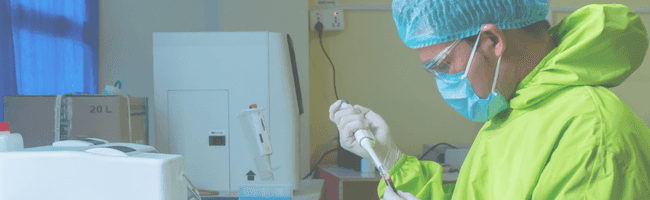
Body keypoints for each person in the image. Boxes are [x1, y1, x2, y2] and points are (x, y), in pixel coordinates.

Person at [328, 0, 650, 199]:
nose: (442, 82)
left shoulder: (592, 135)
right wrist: (392, 163)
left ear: (493, 39)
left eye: (442, 65)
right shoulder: (513, 112)